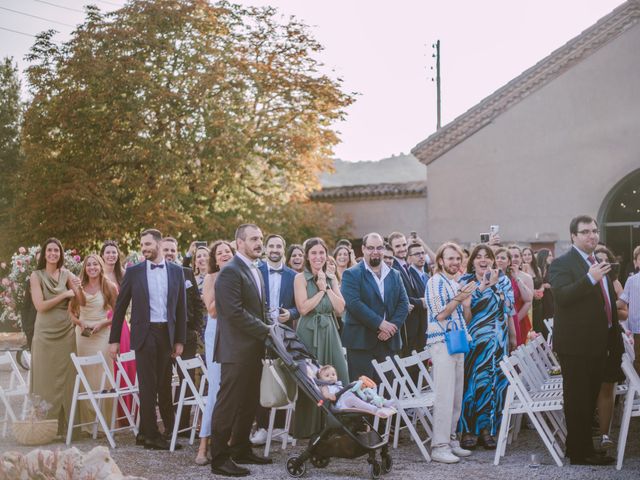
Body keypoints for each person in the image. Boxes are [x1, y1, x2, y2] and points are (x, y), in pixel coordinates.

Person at [548, 215, 620, 465]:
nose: (592, 235)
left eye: (595, 231)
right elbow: (563, 297)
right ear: (573, 236)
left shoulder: (597, 261)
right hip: (576, 345)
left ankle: (579, 447)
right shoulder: (561, 264)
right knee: (578, 400)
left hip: (597, 343)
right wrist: (590, 279)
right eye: (586, 232)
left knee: (588, 399)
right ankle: (580, 454)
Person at [108, 229, 187, 451]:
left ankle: (145, 432)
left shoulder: (176, 271)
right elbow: (120, 307)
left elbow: (181, 308)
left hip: (167, 335)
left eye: (148, 244)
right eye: (142, 244)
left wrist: (179, 339)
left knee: (163, 384)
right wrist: (114, 340)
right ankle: (152, 436)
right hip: (144, 334)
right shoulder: (134, 272)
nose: (144, 248)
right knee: (148, 385)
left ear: (160, 245)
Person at [209, 224, 272, 477]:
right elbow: (233, 313)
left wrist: (269, 325)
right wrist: (266, 329)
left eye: (261, 238)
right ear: (239, 243)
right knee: (228, 404)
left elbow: (257, 307)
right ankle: (220, 459)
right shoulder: (230, 272)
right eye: (254, 239)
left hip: (254, 349)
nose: (259, 243)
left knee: (248, 403)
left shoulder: (254, 269)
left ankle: (241, 448)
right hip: (235, 350)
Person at [458, 244, 515, 450]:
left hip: (498, 342)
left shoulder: (504, 280)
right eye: (478, 256)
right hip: (474, 342)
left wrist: (495, 284)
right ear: (472, 261)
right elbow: (465, 309)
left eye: (487, 256)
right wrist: (482, 285)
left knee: (494, 385)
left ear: (493, 260)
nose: (483, 260)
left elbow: (509, 308)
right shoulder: (465, 281)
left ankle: (488, 430)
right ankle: (469, 430)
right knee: (473, 385)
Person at [292, 237, 348, 439]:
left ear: (326, 255)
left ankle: (336, 427)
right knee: (311, 380)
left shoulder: (332, 277)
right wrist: (321, 290)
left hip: (330, 330)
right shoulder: (300, 278)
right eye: (314, 253)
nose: (318, 257)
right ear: (307, 256)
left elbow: (340, 309)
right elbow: (303, 308)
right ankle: (309, 429)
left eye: (321, 253)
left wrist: (329, 286)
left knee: (338, 374)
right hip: (309, 330)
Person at [425, 242, 475, 464]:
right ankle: (439, 446)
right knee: (444, 396)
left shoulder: (455, 283)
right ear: (441, 261)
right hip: (442, 343)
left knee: (456, 395)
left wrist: (466, 304)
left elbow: (465, 320)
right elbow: (439, 315)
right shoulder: (435, 282)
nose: (455, 262)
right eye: (450, 258)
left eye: (458, 259)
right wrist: (459, 298)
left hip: (457, 343)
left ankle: (452, 439)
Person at [252, 234, 300, 445]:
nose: (274, 249)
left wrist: (290, 314)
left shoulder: (293, 275)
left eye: (278, 246)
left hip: (284, 333)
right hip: (259, 333)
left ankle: (280, 428)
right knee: (261, 377)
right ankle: (262, 427)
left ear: (284, 249)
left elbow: (301, 306)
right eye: (271, 245)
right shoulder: (256, 272)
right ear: (265, 248)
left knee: (282, 375)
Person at [341, 232, 409, 381]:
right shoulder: (351, 274)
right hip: (361, 342)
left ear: (384, 249)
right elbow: (354, 304)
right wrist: (380, 323)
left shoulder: (395, 274)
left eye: (379, 248)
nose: (375, 252)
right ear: (363, 249)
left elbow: (403, 304)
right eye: (371, 248)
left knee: (389, 392)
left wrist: (391, 328)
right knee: (364, 394)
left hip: (388, 342)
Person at [30, 238, 82, 429]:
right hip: (44, 333)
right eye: (50, 250)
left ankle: (66, 426)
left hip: (66, 332)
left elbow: (80, 300)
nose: (53, 253)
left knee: (68, 379)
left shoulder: (67, 273)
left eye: (57, 251)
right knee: (45, 380)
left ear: (61, 254)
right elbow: (40, 306)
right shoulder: (36, 276)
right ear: (44, 253)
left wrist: (78, 286)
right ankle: (43, 427)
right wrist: (64, 295)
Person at [160, 237, 204, 442]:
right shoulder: (155, 275)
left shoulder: (186, 273)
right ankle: (170, 426)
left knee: (186, 380)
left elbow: (196, 302)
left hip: (186, 335)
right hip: (161, 335)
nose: (169, 253)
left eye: (172, 250)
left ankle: (184, 426)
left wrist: (195, 329)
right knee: (163, 380)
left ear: (177, 252)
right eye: (166, 249)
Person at [68, 254, 118, 432]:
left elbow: (118, 314)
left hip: (103, 334)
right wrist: (80, 323)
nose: (92, 267)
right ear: (85, 268)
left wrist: (102, 324)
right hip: (83, 336)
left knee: (102, 376)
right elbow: (72, 313)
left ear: (100, 265)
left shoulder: (109, 286)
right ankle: (89, 426)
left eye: (95, 264)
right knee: (86, 378)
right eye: (88, 265)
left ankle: (105, 424)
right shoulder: (78, 285)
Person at [195, 240, 233, 465]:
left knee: (234, 388)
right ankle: (203, 444)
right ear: (215, 259)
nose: (225, 255)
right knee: (216, 388)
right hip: (216, 334)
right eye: (220, 253)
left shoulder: (243, 275)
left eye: (228, 251)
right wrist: (226, 284)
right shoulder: (211, 279)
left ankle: (229, 442)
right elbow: (212, 310)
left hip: (237, 334)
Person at [592, 245, 626, 451]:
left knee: (607, 385)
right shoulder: (588, 283)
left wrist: (611, 308)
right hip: (590, 340)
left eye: (605, 260)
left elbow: (624, 311)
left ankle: (605, 433)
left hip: (611, 337)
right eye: (598, 260)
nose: (602, 263)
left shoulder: (615, 283)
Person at [100, 240, 136, 423]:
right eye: (108, 252)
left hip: (120, 323)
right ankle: (110, 413)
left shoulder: (124, 274)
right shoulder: (97, 274)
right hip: (101, 323)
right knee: (108, 366)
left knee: (125, 365)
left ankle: (126, 413)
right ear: (102, 255)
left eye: (114, 252)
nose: (111, 255)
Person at [388, 232, 427, 356]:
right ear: (391, 248)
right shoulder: (392, 267)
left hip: (416, 325)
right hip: (405, 326)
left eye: (404, 244)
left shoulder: (405, 266)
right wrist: (420, 302)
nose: (402, 249)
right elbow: (395, 296)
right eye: (398, 246)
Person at [618, 245, 640, 374]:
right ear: (635, 262)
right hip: (638, 327)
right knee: (638, 359)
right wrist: (607, 305)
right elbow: (622, 301)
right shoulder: (631, 280)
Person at [507, 245, 534, 344]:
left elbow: (529, 302)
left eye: (516, 256)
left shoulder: (527, 277)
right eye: (511, 256)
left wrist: (515, 321)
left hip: (519, 318)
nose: (514, 259)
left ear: (521, 258)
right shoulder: (502, 276)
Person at [522, 247, 545, 336]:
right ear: (522, 257)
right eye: (524, 255)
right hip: (528, 303)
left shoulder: (537, 269)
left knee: (539, 326)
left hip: (539, 302)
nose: (527, 256)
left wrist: (541, 290)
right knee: (530, 327)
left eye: (529, 254)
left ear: (532, 256)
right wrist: (533, 292)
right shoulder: (522, 269)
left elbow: (541, 283)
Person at [536, 248, 555, 338]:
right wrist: (543, 285)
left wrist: (549, 286)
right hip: (539, 300)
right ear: (544, 257)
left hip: (550, 299)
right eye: (550, 255)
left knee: (549, 321)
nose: (552, 257)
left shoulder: (552, 269)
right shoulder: (537, 270)